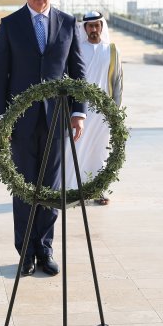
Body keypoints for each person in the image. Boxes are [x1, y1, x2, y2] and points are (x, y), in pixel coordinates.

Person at [0, 0, 86, 277]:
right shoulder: (10, 25)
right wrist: (1, 121)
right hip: (21, 123)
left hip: (57, 121)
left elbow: (78, 73)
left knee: (51, 188)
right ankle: (26, 252)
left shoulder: (68, 23)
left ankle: (45, 249)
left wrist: (78, 112)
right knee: (24, 189)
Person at [64, 11, 123, 205]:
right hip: (81, 112)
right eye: (90, 26)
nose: (94, 29)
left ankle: (99, 190)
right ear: (85, 28)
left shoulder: (112, 50)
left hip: (104, 113)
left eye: (97, 25)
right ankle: (74, 190)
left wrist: (115, 112)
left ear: (102, 27)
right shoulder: (77, 50)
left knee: (100, 151)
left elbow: (117, 83)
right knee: (77, 149)